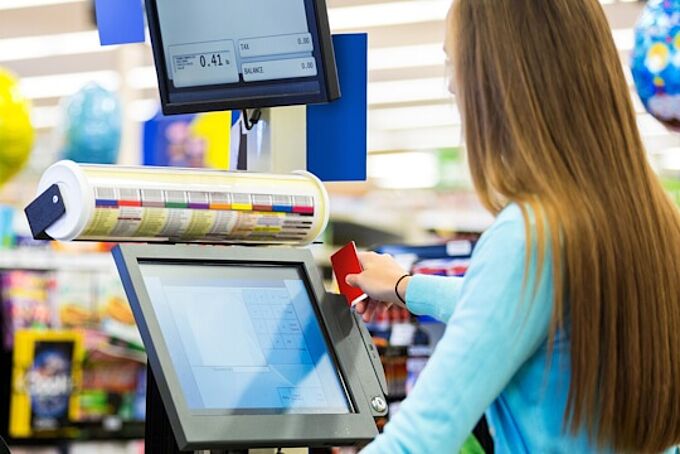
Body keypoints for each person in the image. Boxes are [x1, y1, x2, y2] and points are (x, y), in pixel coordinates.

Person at [347, 0, 680, 452]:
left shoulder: (529, 234)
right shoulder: (655, 224)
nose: (450, 84)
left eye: (453, 61)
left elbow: (419, 439)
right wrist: (407, 287)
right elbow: (520, 311)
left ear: (493, 78)